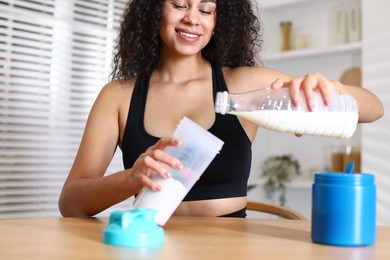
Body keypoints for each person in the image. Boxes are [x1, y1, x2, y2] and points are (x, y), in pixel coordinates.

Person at [58, 0, 384, 218]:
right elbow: (71, 202)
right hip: (148, 244)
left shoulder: (245, 84)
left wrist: (333, 89)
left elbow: (374, 109)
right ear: (154, 10)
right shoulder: (118, 95)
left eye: (206, 9)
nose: (192, 19)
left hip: (231, 248)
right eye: (179, 4)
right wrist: (132, 178)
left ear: (219, 20)